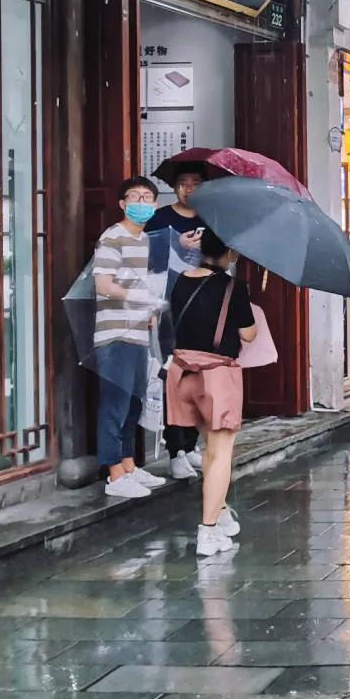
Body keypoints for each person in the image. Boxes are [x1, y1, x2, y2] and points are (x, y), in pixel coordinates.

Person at [166, 227, 258, 557]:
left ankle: (218, 514)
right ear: (230, 253)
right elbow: (248, 334)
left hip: (182, 373)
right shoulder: (233, 286)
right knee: (220, 453)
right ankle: (208, 530)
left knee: (207, 450)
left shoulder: (180, 280)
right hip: (217, 377)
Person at [93, 176, 169, 499]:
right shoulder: (113, 237)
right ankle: (113, 474)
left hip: (138, 333)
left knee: (134, 402)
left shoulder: (145, 241)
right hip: (115, 334)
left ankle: (128, 464)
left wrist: (149, 310)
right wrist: (137, 299)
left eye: (147, 197)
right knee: (115, 402)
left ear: (154, 205)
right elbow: (103, 285)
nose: (142, 202)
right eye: (134, 197)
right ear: (122, 204)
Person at [148, 165, 210, 479]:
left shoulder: (210, 219)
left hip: (202, 308)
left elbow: (222, 260)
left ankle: (191, 444)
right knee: (174, 379)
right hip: (168, 309)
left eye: (195, 183)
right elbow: (149, 262)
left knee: (200, 379)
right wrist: (177, 246)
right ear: (175, 187)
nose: (189, 189)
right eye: (183, 184)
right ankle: (175, 451)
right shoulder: (159, 219)